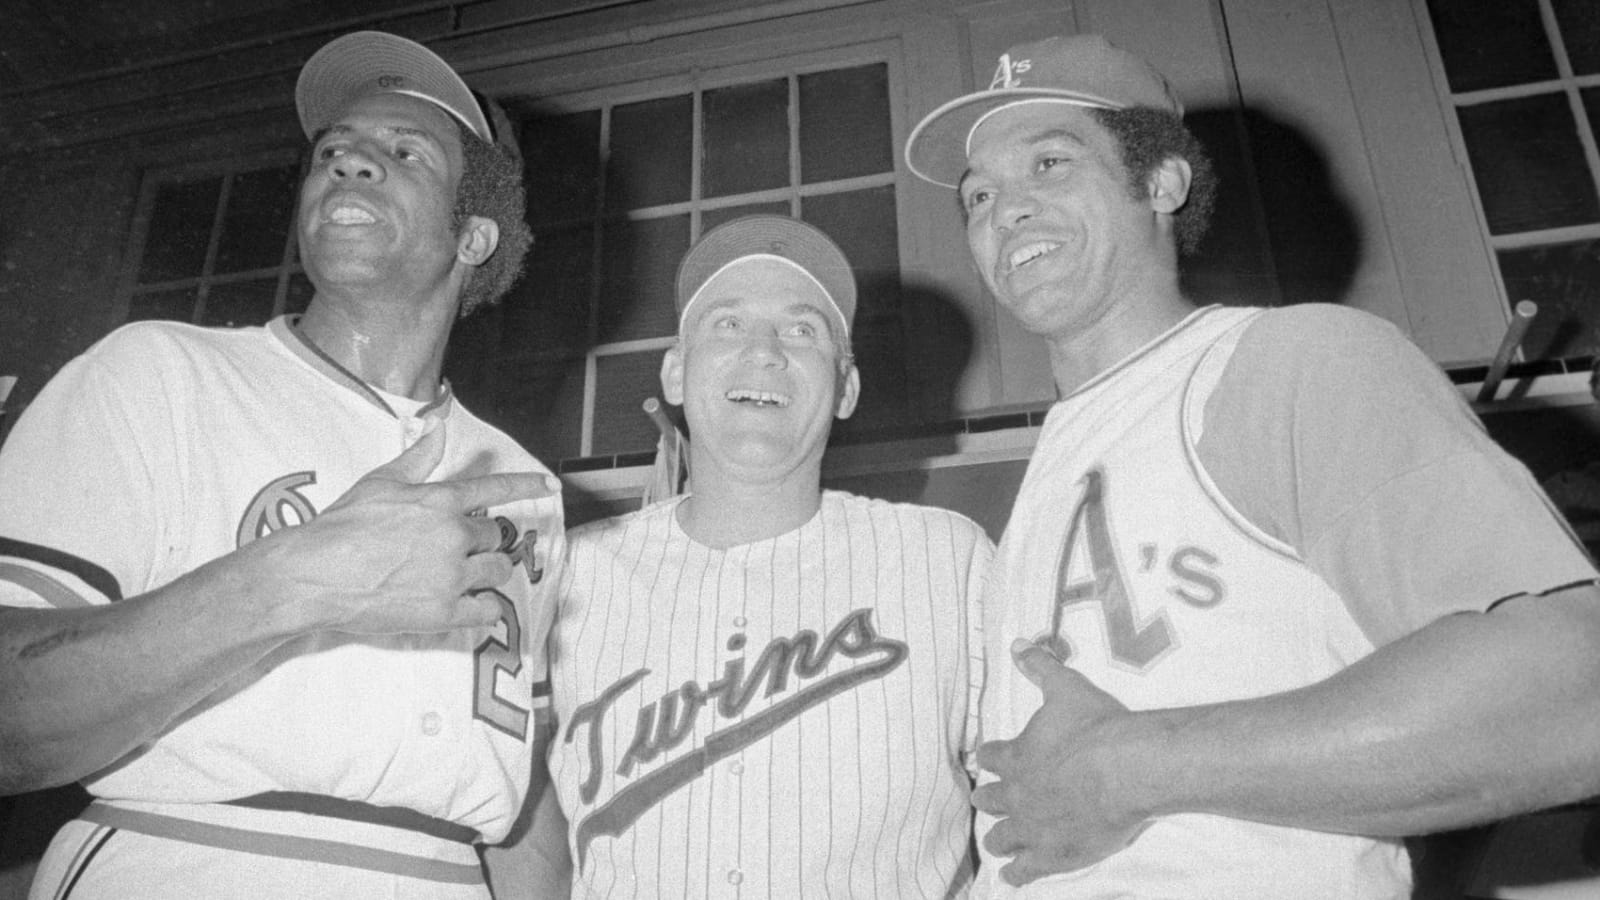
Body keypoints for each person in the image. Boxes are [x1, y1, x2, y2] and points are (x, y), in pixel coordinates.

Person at [903, 33, 1600, 899]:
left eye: (1050, 163)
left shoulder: (1289, 362)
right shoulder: (1048, 480)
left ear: (1161, 183)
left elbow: (1573, 688)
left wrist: (1131, 767)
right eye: (978, 195)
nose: (1004, 211)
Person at [0, 30, 566, 899]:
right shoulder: (156, 373)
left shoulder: (522, 481)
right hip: (188, 857)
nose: (351, 162)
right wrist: (287, 585)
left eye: (403, 151)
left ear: (475, 239)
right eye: (333, 151)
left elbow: (516, 800)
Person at [526, 214, 993, 897]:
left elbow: (1041, 798)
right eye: (727, 324)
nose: (765, 351)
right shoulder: (571, 576)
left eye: (802, 330)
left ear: (847, 388)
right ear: (676, 374)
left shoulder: (949, 562)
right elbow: (526, 824)